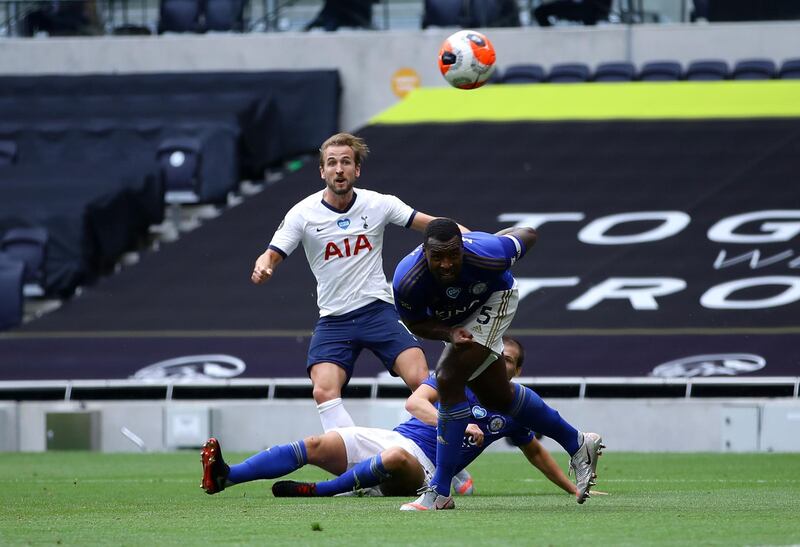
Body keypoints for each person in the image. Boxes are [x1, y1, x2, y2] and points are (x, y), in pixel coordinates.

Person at [251, 133, 462, 432]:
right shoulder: (303, 213)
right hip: (334, 319)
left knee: (421, 380)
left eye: (346, 162)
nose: (339, 169)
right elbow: (271, 253)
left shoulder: (379, 203)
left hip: (378, 310)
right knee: (323, 391)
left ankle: (448, 466)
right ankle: (357, 463)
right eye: (332, 163)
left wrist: (479, 240)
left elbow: (437, 226)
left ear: (357, 170)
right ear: (322, 171)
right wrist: (263, 267)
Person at [392, 218, 604, 510]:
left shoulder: (489, 253)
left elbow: (529, 234)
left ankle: (439, 491)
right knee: (498, 397)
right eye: (437, 256)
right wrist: (448, 332)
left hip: (496, 299)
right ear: (423, 252)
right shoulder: (407, 280)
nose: (446, 264)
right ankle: (578, 442)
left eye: (453, 254)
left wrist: (495, 239)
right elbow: (416, 323)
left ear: (464, 249)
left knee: (448, 377)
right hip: (455, 322)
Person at [199, 336, 578, 499]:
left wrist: (574, 488)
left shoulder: (513, 407)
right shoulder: (453, 377)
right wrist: (456, 422)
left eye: (507, 360)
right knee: (315, 444)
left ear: (518, 371)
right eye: (495, 354)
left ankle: (321, 492)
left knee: (397, 460)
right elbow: (415, 404)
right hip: (392, 438)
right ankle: (225, 477)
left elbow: (536, 453)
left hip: (426, 468)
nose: (498, 362)